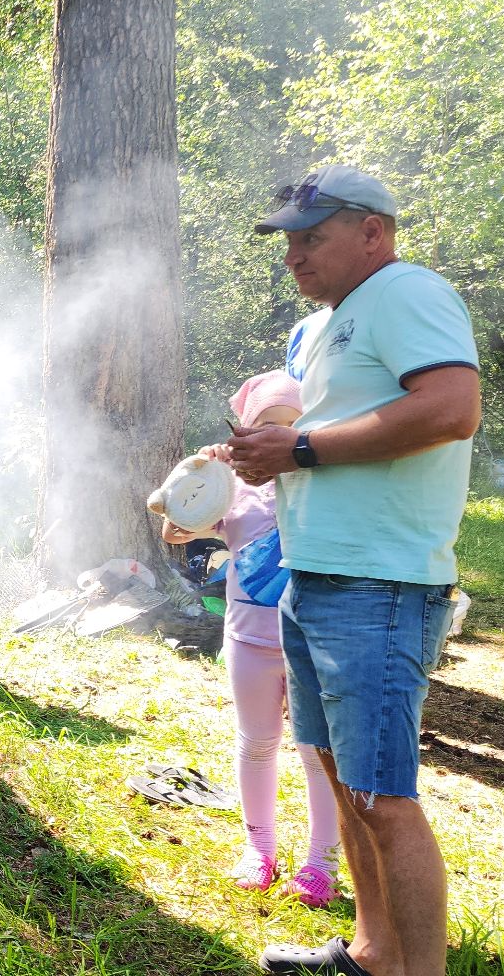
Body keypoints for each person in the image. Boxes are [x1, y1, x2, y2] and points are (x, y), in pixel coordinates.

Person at [230, 165, 481, 976]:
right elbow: (334, 438)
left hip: (380, 582)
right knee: (344, 781)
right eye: (288, 242)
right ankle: (373, 955)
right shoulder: (333, 322)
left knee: (382, 795)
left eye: (313, 237)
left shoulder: (407, 291)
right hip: (319, 575)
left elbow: (450, 408)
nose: (294, 256)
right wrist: (269, 456)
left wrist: (298, 447)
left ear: (372, 230)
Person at [160, 371, 341, 907]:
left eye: (292, 426)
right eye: (265, 426)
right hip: (248, 643)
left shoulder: (323, 484)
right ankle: (259, 849)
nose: (276, 438)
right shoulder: (233, 486)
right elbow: (174, 531)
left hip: (310, 644)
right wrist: (202, 472)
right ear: (244, 431)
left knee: (317, 753)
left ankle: (321, 862)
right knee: (257, 743)